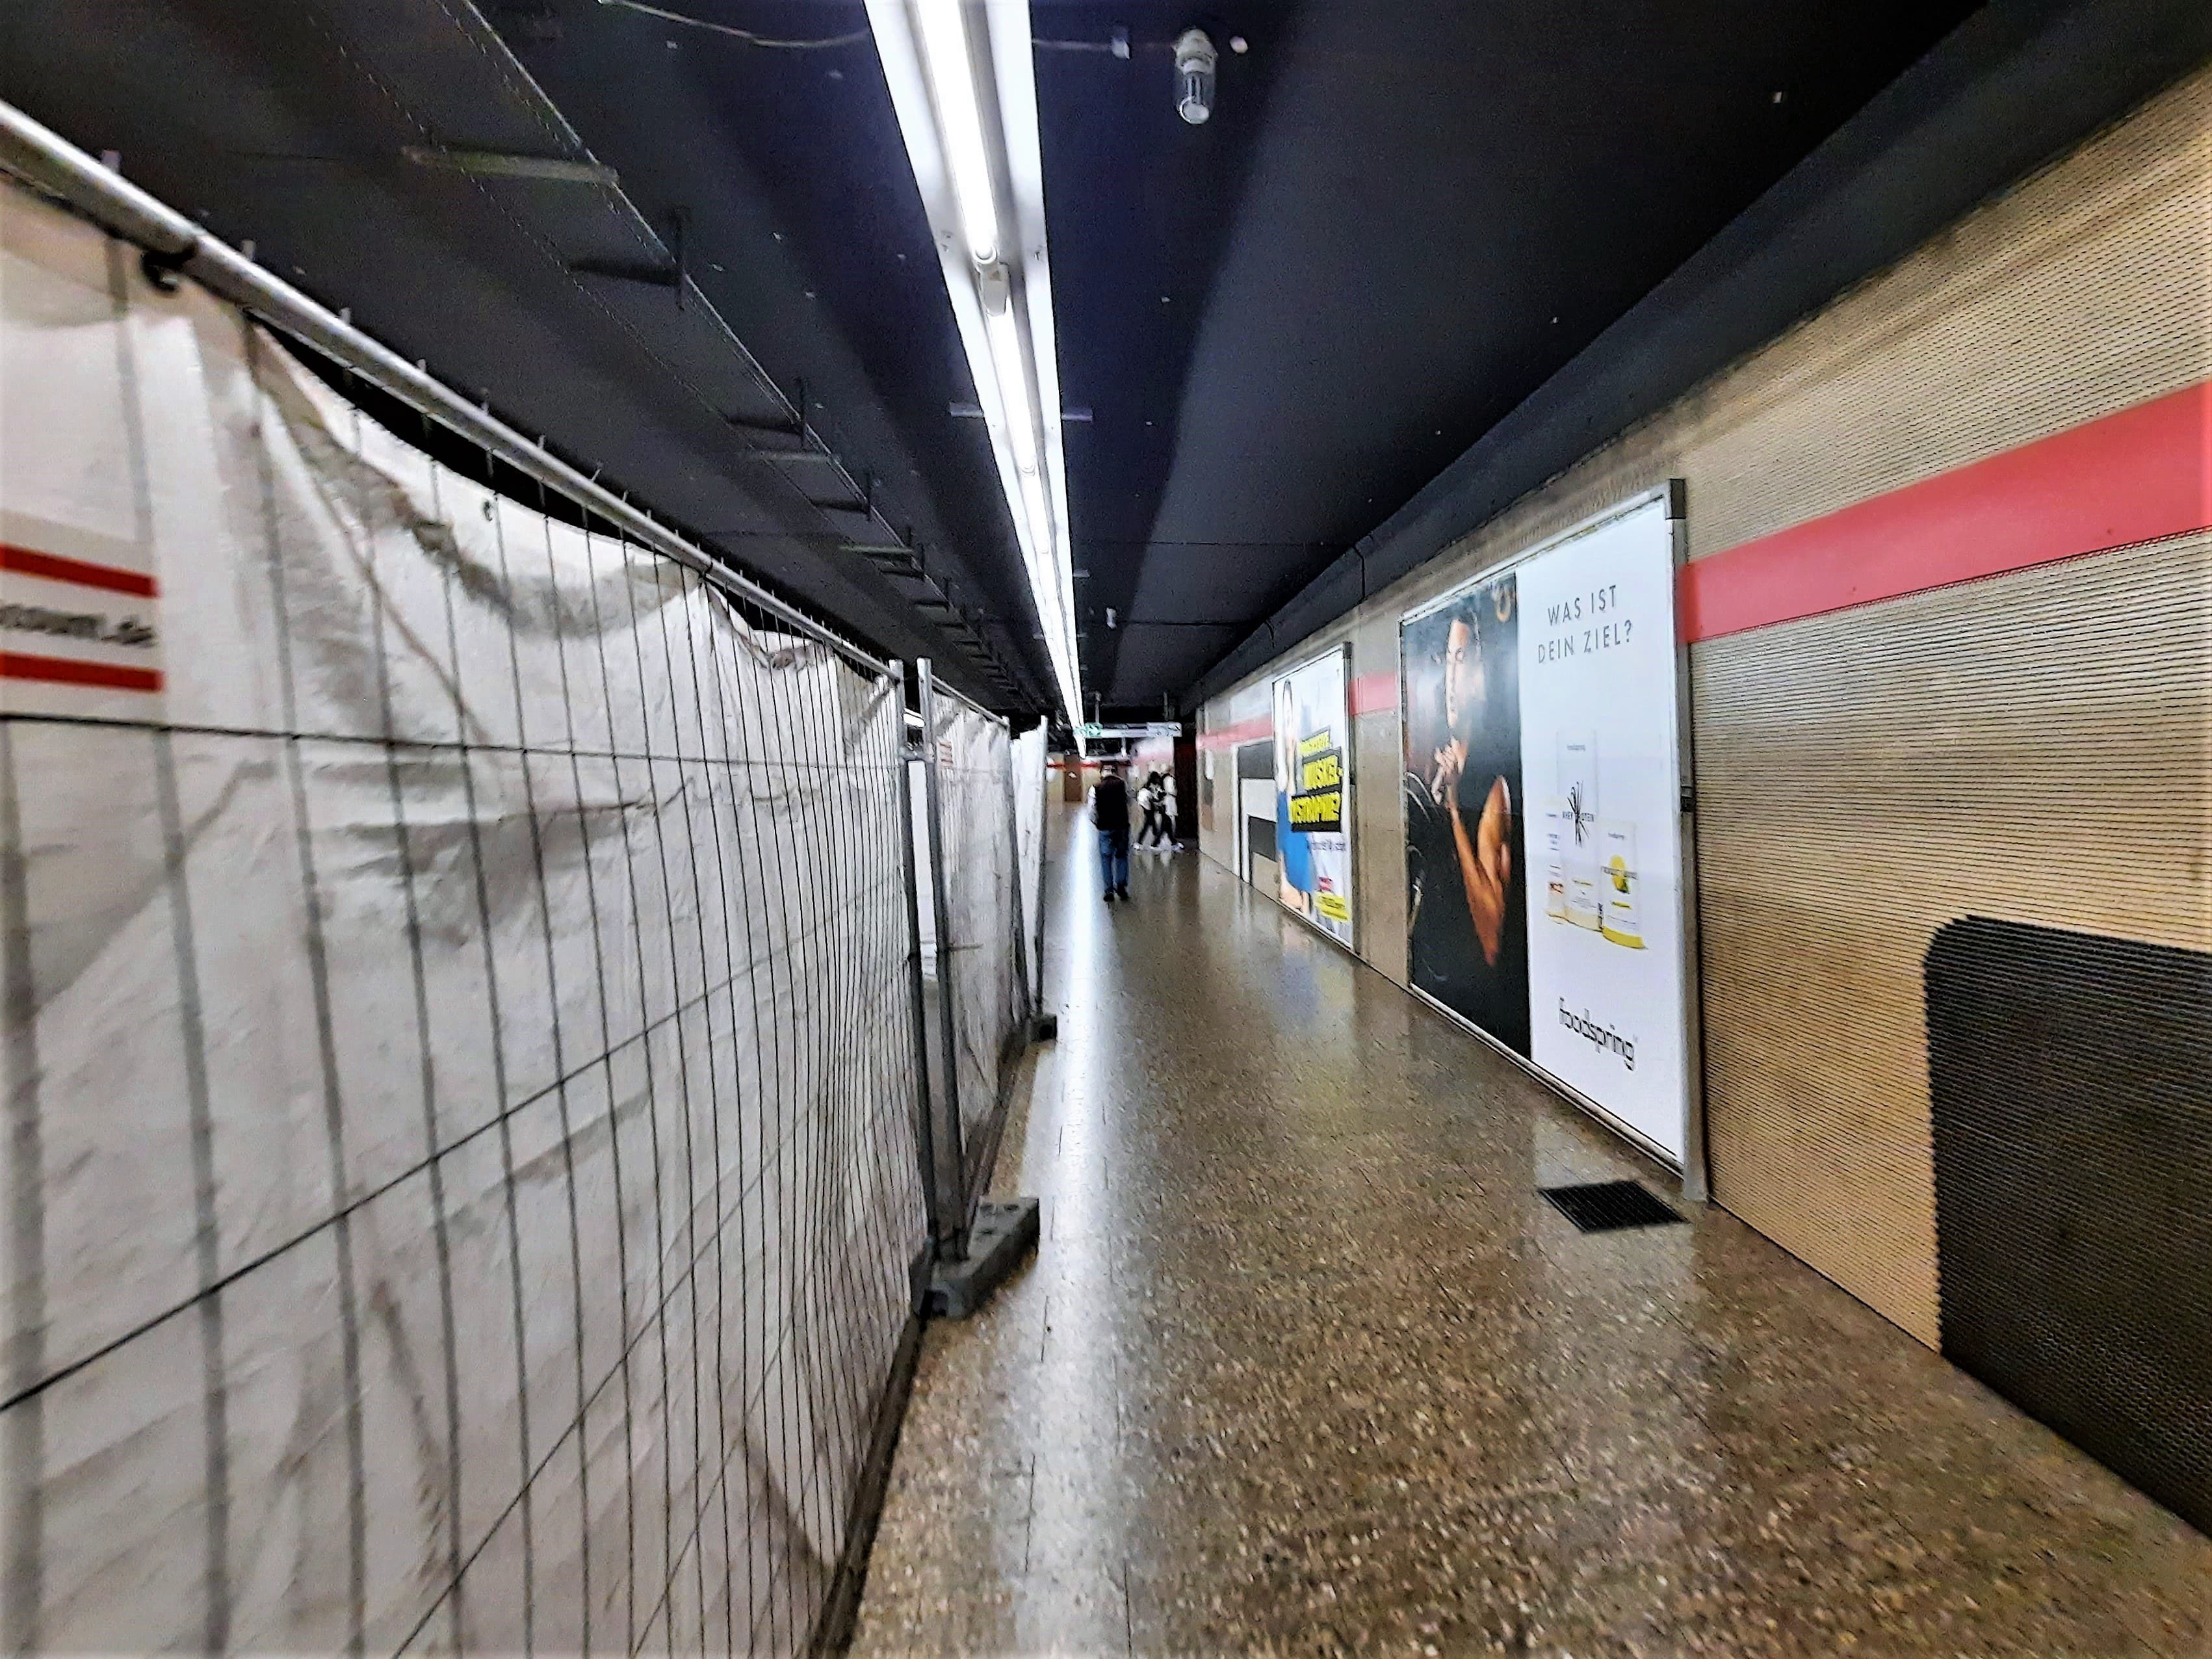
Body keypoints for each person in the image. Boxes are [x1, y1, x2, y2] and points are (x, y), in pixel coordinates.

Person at [1090, 759, 1131, 901]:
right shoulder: (1123, 784)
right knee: (1121, 856)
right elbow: (1129, 801)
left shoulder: (1096, 787)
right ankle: (1121, 886)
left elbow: (1091, 810)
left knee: (1106, 859)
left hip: (1105, 827)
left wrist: (1098, 823)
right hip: (1122, 827)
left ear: (1102, 773)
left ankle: (1109, 890)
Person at [1137, 770, 1171, 850]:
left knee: (1153, 825)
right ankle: (1152, 842)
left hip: (1148, 807)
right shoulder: (1151, 787)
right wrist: (1160, 798)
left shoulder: (1148, 786)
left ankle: (1155, 842)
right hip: (1149, 807)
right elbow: (1154, 798)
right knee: (1151, 824)